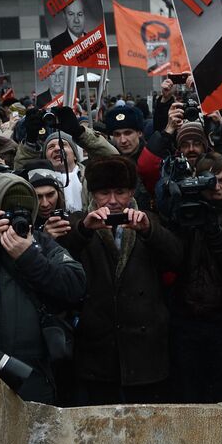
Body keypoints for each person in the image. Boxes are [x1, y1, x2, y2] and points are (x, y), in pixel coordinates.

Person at [60, 156, 183, 405]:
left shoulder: (149, 220)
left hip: (145, 351)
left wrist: (150, 232)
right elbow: (61, 262)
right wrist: (84, 229)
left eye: (120, 192)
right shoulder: (78, 223)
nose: (113, 201)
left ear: (131, 192)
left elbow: (176, 259)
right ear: (93, 194)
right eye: (105, 193)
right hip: (99, 350)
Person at [0, 173, 86, 404]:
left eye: (25, 211)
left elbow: (75, 283)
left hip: (34, 371)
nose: (17, 219)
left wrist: (29, 257)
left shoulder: (41, 244)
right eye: (10, 211)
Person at [166, 152, 222, 403]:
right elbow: (174, 257)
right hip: (187, 316)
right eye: (209, 180)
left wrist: (211, 226)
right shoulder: (185, 210)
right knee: (189, 390)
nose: (217, 187)